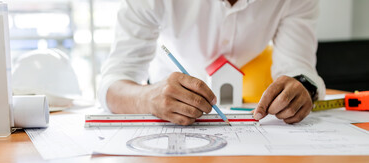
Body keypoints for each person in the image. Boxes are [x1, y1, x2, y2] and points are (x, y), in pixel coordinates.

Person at [98, 0, 326, 125]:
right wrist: (147, 98)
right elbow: (113, 82)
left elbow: (299, 67)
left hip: (244, 102)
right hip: (166, 107)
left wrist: (303, 87)